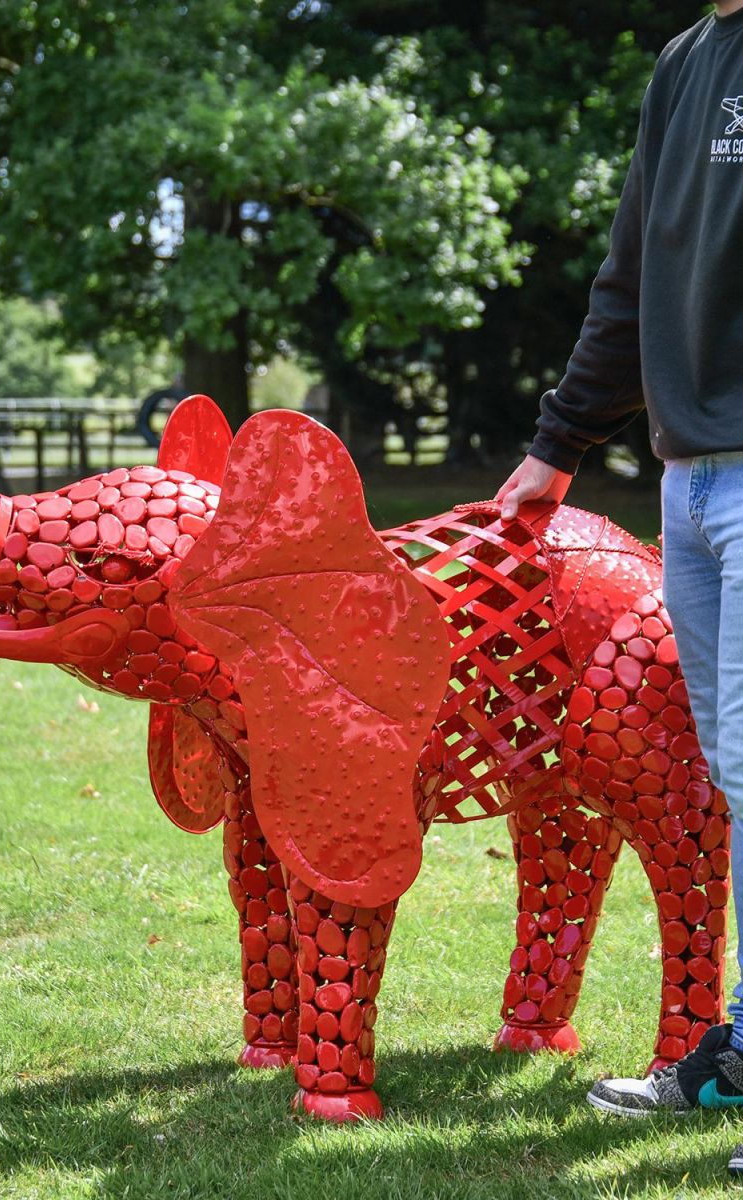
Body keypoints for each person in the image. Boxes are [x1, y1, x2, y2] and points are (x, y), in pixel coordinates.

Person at [496, 0, 743, 1131]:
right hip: (688, 483)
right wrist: (557, 446)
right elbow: (630, 275)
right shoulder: (684, 64)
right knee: (736, 773)